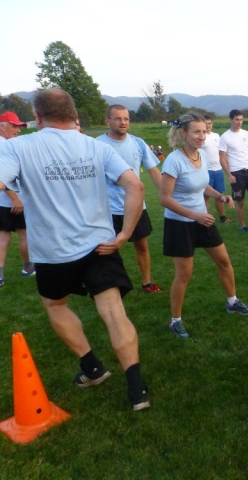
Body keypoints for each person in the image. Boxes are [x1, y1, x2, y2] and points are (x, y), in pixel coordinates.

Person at [0, 89, 150, 410]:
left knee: (55, 305)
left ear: (37, 117)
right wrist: (124, 234)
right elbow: (136, 186)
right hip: (101, 245)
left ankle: (92, 366)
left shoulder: (18, 147)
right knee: (113, 312)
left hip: (53, 251)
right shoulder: (96, 146)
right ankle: (137, 390)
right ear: (74, 114)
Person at [161, 112, 248, 338]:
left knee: (224, 261)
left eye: (203, 131)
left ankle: (232, 302)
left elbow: (203, 186)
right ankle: (175, 321)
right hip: (180, 223)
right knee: (184, 274)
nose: (201, 136)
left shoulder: (201, 155)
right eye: (196, 131)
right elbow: (164, 199)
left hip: (202, 219)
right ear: (183, 133)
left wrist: (220, 196)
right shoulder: (174, 160)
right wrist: (194, 215)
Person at [97, 104, 162, 293]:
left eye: (126, 119)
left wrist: (167, 194)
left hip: (135, 207)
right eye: (118, 118)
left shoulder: (138, 143)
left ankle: (147, 283)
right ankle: (108, 288)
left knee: (141, 245)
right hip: (107, 209)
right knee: (106, 249)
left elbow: (153, 171)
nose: (123, 122)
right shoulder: (97, 144)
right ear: (107, 121)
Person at [0, 111, 35, 286]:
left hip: (2, 201)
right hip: (13, 200)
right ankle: (28, 268)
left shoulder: (8, 144)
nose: (18, 130)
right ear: (2, 126)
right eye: (14, 126)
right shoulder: (4, 146)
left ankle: (0, 276)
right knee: (23, 234)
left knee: (3, 237)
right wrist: (15, 198)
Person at [202, 114, 231, 223]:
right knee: (206, 196)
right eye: (206, 124)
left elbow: (222, 153)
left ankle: (223, 217)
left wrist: (227, 164)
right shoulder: (201, 137)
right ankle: (204, 218)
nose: (208, 125)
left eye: (209, 123)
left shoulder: (217, 136)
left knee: (219, 195)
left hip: (218, 170)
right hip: (206, 170)